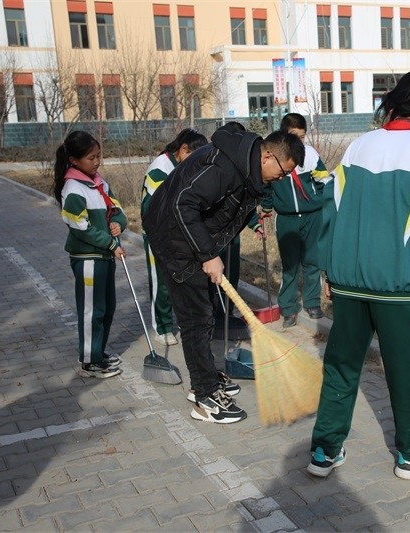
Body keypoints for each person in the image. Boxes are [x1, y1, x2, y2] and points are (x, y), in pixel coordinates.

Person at [307, 70, 410, 479]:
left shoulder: (358, 146)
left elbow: (330, 212)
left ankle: (324, 453)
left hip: (347, 281)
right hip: (395, 286)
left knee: (341, 366)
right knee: (405, 371)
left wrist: (329, 269)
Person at [143, 122, 305, 424]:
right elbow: (183, 203)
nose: (282, 179)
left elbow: (226, 204)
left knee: (204, 313)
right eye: (283, 172)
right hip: (174, 237)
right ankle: (204, 397)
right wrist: (207, 254)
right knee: (196, 317)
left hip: (191, 236)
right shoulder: (223, 165)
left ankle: (204, 378)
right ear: (268, 156)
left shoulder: (246, 166)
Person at [53, 130, 127, 379]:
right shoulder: (72, 188)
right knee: (91, 311)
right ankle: (88, 361)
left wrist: (119, 223)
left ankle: (98, 352)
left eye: (98, 157)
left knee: (107, 307)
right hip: (87, 259)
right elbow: (80, 227)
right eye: (91, 158)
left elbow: (116, 208)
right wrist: (110, 243)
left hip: (104, 256)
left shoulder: (99, 182)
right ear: (74, 161)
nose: (96, 162)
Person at [259, 113, 331, 328]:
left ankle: (312, 302)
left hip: (312, 216)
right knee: (290, 264)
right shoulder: (277, 158)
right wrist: (267, 208)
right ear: (283, 136)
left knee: (312, 261)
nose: (299, 141)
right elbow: (267, 187)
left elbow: (323, 179)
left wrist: (320, 200)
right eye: (294, 136)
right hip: (287, 219)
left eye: (302, 136)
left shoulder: (309, 154)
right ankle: (288, 308)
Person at [141, 128, 208, 346]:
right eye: (193, 157)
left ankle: (180, 319)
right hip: (157, 234)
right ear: (182, 149)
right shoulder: (160, 168)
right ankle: (162, 326)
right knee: (161, 280)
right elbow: (157, 207)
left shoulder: (182, 166)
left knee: (179, 279)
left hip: (178, 233)